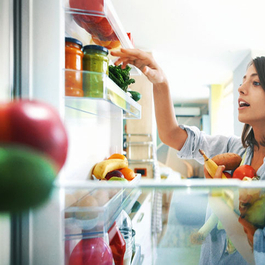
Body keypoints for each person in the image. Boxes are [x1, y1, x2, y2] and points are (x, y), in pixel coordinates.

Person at [111, 48, 265, 264]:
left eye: (255, 82)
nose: (241, 88)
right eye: (242, 81)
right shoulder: (234, 148)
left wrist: (219, 198)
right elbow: (171, 135)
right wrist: (160, 82)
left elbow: (255, 255)